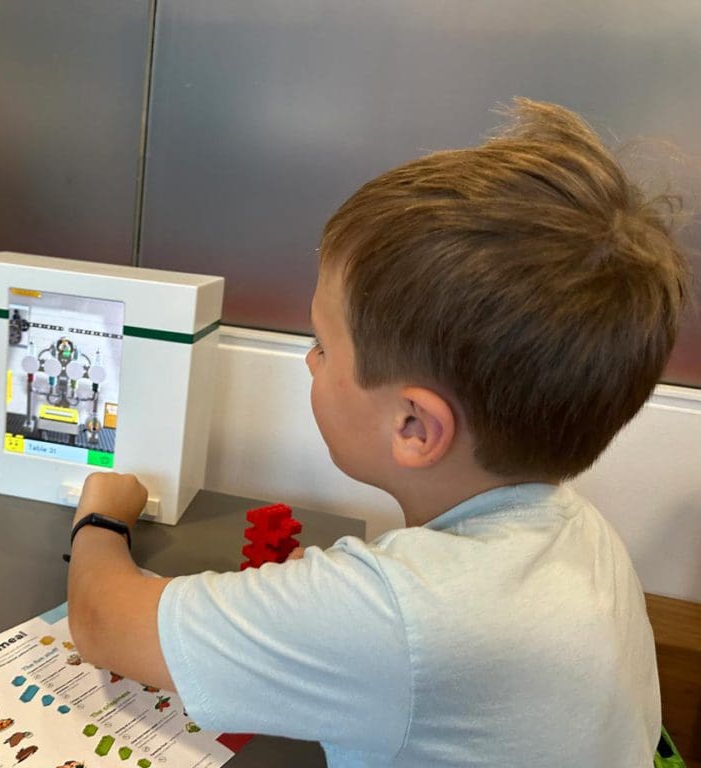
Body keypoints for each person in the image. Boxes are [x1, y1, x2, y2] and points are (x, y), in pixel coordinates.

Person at [65, 99, 690, 767]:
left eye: (323, 346)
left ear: (415, 427)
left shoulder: (402, 615)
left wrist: (101, 512)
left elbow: (104, 622)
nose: (310, 360)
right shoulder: (584, 532)